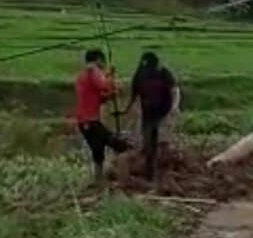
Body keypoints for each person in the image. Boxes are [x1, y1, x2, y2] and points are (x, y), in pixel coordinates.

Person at [75, 49, 130, 187]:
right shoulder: (92, 71)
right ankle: (124, 173)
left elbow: (98, 97)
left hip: (84, 121)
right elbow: (103, 85)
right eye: (102, 61)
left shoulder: (83, 76)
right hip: (90, 120)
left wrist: (110, 94)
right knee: (116, 143)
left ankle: (98, 180)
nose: (103, 64)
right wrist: (111, 78)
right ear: (97, 60)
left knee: (98, 149)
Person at [123, 52, 180, 182]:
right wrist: (127, 110)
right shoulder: (139, 74)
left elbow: (174, 90)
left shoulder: (164, 73)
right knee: (148, 142)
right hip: (147, 114)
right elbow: (134, 95)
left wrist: (174, 108)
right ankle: (150, 172)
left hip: (164, 111)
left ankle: (162, 169)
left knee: (160, 141)